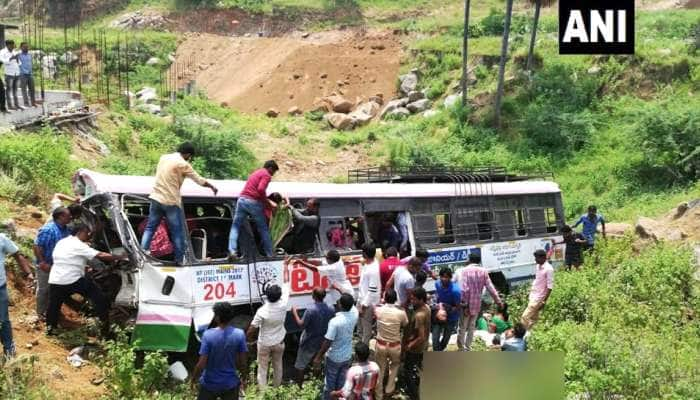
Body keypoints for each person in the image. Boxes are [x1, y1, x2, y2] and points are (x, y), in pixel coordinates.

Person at [142, 143, 218, 265]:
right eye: (190, 156)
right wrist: (212, 186)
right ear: (188, 154)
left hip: (155, 197)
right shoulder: (183, 164)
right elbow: (199, 180)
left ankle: (143, 252)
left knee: (150, 227)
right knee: (177, 231)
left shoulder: (163, 158)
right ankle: (179, 259)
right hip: (171, 201)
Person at [45, 223, 126, 336]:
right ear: (80, 232)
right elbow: (100, 255)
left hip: (55, 279)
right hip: (72, 280)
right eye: (86, 232)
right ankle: (105, 331)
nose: (88, 235)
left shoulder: (62, 242)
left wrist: (82, 267)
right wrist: (121, 257)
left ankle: (50, 329)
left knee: (54, 305)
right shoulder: (78, 245)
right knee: (100, 299)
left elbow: (68, 259)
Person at [192, 302, 248, 400]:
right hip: (230, 383)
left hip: (209, 384)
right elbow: (242, 362)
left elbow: (201, 364)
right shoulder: (239, 334)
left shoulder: (208, 335)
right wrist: (243, 378)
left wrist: (193, 379)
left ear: (217, 317)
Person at [228, 160, 279, 259]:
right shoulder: (266, 175)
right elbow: (260, 189)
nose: (272, 175)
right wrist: (268, 204)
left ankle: (232, 251)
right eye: (274, 172)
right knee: (263, 229)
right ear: (270, 168)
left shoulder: (255, 173)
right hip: (253, 202)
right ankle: (270, 253)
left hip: (242, 200)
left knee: (235, 226)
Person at [314, 293, 359, 400]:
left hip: (334, 357)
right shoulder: (355, 313)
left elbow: (328, 341)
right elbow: (350, 302)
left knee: (330, 383)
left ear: (341, 305)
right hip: (347, 355)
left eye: (339, 301)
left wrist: (319, 356)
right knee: (341, 383)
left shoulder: (335, 322)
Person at [457, 254, 503, 351]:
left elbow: (464, 289)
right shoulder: (484, 271)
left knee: (462, 327)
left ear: (469, 260)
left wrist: (464, 304)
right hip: (477, 304)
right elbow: (491, 288)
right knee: (472, 326)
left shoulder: (464, 271)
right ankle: (468, 347)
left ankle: (461, 348)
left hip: (467, 304)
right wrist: (498, 301)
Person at [291, 287, 335, 387]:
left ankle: (299, 387)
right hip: (323, 341)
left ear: (313, 296)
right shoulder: (331, 308)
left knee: (300, 365)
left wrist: (294, 312)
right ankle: (315, 384)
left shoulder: (310, 310)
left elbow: (301, 325)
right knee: (318, 361)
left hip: (309, 341)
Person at [0, 231, 35, 358]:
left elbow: (17, 254)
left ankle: (9, 348)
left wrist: (28, 272)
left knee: (3, 320)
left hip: (0, 287)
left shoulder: (2, 238)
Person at [33, 207, 72, 319]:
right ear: (60, 217)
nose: (71, 217)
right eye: (68, 215)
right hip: (46, 265)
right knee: (44, 289)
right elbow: (37, 246)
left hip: (58, 266)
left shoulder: (65, 230)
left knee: (54, 290)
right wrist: (42, 262)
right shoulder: (49, 229)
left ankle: (51, 311)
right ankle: (41, 313)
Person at [247, 284, 287, 389]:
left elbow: (252, 329)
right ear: (280, 296)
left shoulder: (262, 311)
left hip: (264, 343)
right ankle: (276, 388)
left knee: (262, 369)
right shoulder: (284, 304)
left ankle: (263, 393)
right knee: (278, 366)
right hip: (279, 342)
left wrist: (249, 341)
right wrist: (287, 267)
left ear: (267, 296)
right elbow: (286, 285)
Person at [373, 289, 407, 400]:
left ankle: (378, 395)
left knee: (380, 369)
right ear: (395, 299)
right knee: (395, 366)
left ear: (385, 298)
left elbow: (375, 310)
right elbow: (405, 323)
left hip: (381, 345)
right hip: (395, 346)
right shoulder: (401, 313)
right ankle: (389, 389)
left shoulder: (378, 310)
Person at [402, 287, 431, 400]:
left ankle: (414, 395)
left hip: (415, 348)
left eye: (414, 299)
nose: (412, 301)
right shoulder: (427, 308)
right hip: (423, 347)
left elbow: (421, 336)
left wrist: (409, 346)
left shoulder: (419, 315)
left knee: (407, 371)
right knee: (419, 368)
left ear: (421, 300)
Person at [520, 249, 554, 330]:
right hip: (533, 295)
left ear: (543, 258)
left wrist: (544, 301)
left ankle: (521, 335)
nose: (535, 260)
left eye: (536, 258)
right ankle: (533, 334)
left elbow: (550, 287)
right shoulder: (538, 266)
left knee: (524, 317)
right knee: (534, 319)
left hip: (539, 298)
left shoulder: (549, 269)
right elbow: (538, 280)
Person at [431, 267, 461, 351]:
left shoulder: (455, 291)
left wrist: (448, 309)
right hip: (439, 313)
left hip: (452, 316)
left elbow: (458, 307)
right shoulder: (437, 284)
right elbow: (438, 295)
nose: (444, 279)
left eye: (446, 277)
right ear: (440, 277)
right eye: (442, 276)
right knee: (435, 337)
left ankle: (440, 351)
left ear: (450, 278)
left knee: (446, 338)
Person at [358, 243, 381, 345]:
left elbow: (372, 290)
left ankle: (364, 349)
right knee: (360, 326)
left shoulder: (373, 270)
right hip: (361, 299)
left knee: (366, 329)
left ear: (365, 254)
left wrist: (364, 305)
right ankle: (361, 346)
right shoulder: (370, 263)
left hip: (367, 303)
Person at [0, 40, 20, 110]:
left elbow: (19, 63)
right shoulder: (2, 52)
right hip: (9, 74)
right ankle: (9, 106)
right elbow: (4, 61)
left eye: (13, 45)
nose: (13, 47)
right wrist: (11, 58)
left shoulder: (14, 51)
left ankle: (16, 105)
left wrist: (17, 59)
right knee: (8, 90)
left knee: (14, 90)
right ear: (8, 45)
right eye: (11, 46)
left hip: (16, 73)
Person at [18, 42, 36, 107]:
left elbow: (30, 64)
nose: (26, 48)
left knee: (32, 89)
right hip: (23, 74)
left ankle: (33, 102)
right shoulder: (18, 55)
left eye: (27, 47)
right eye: (24, 47)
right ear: (21, 48)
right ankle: (26, 103)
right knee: (24, 90)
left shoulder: (30, 55)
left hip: (30, 74)